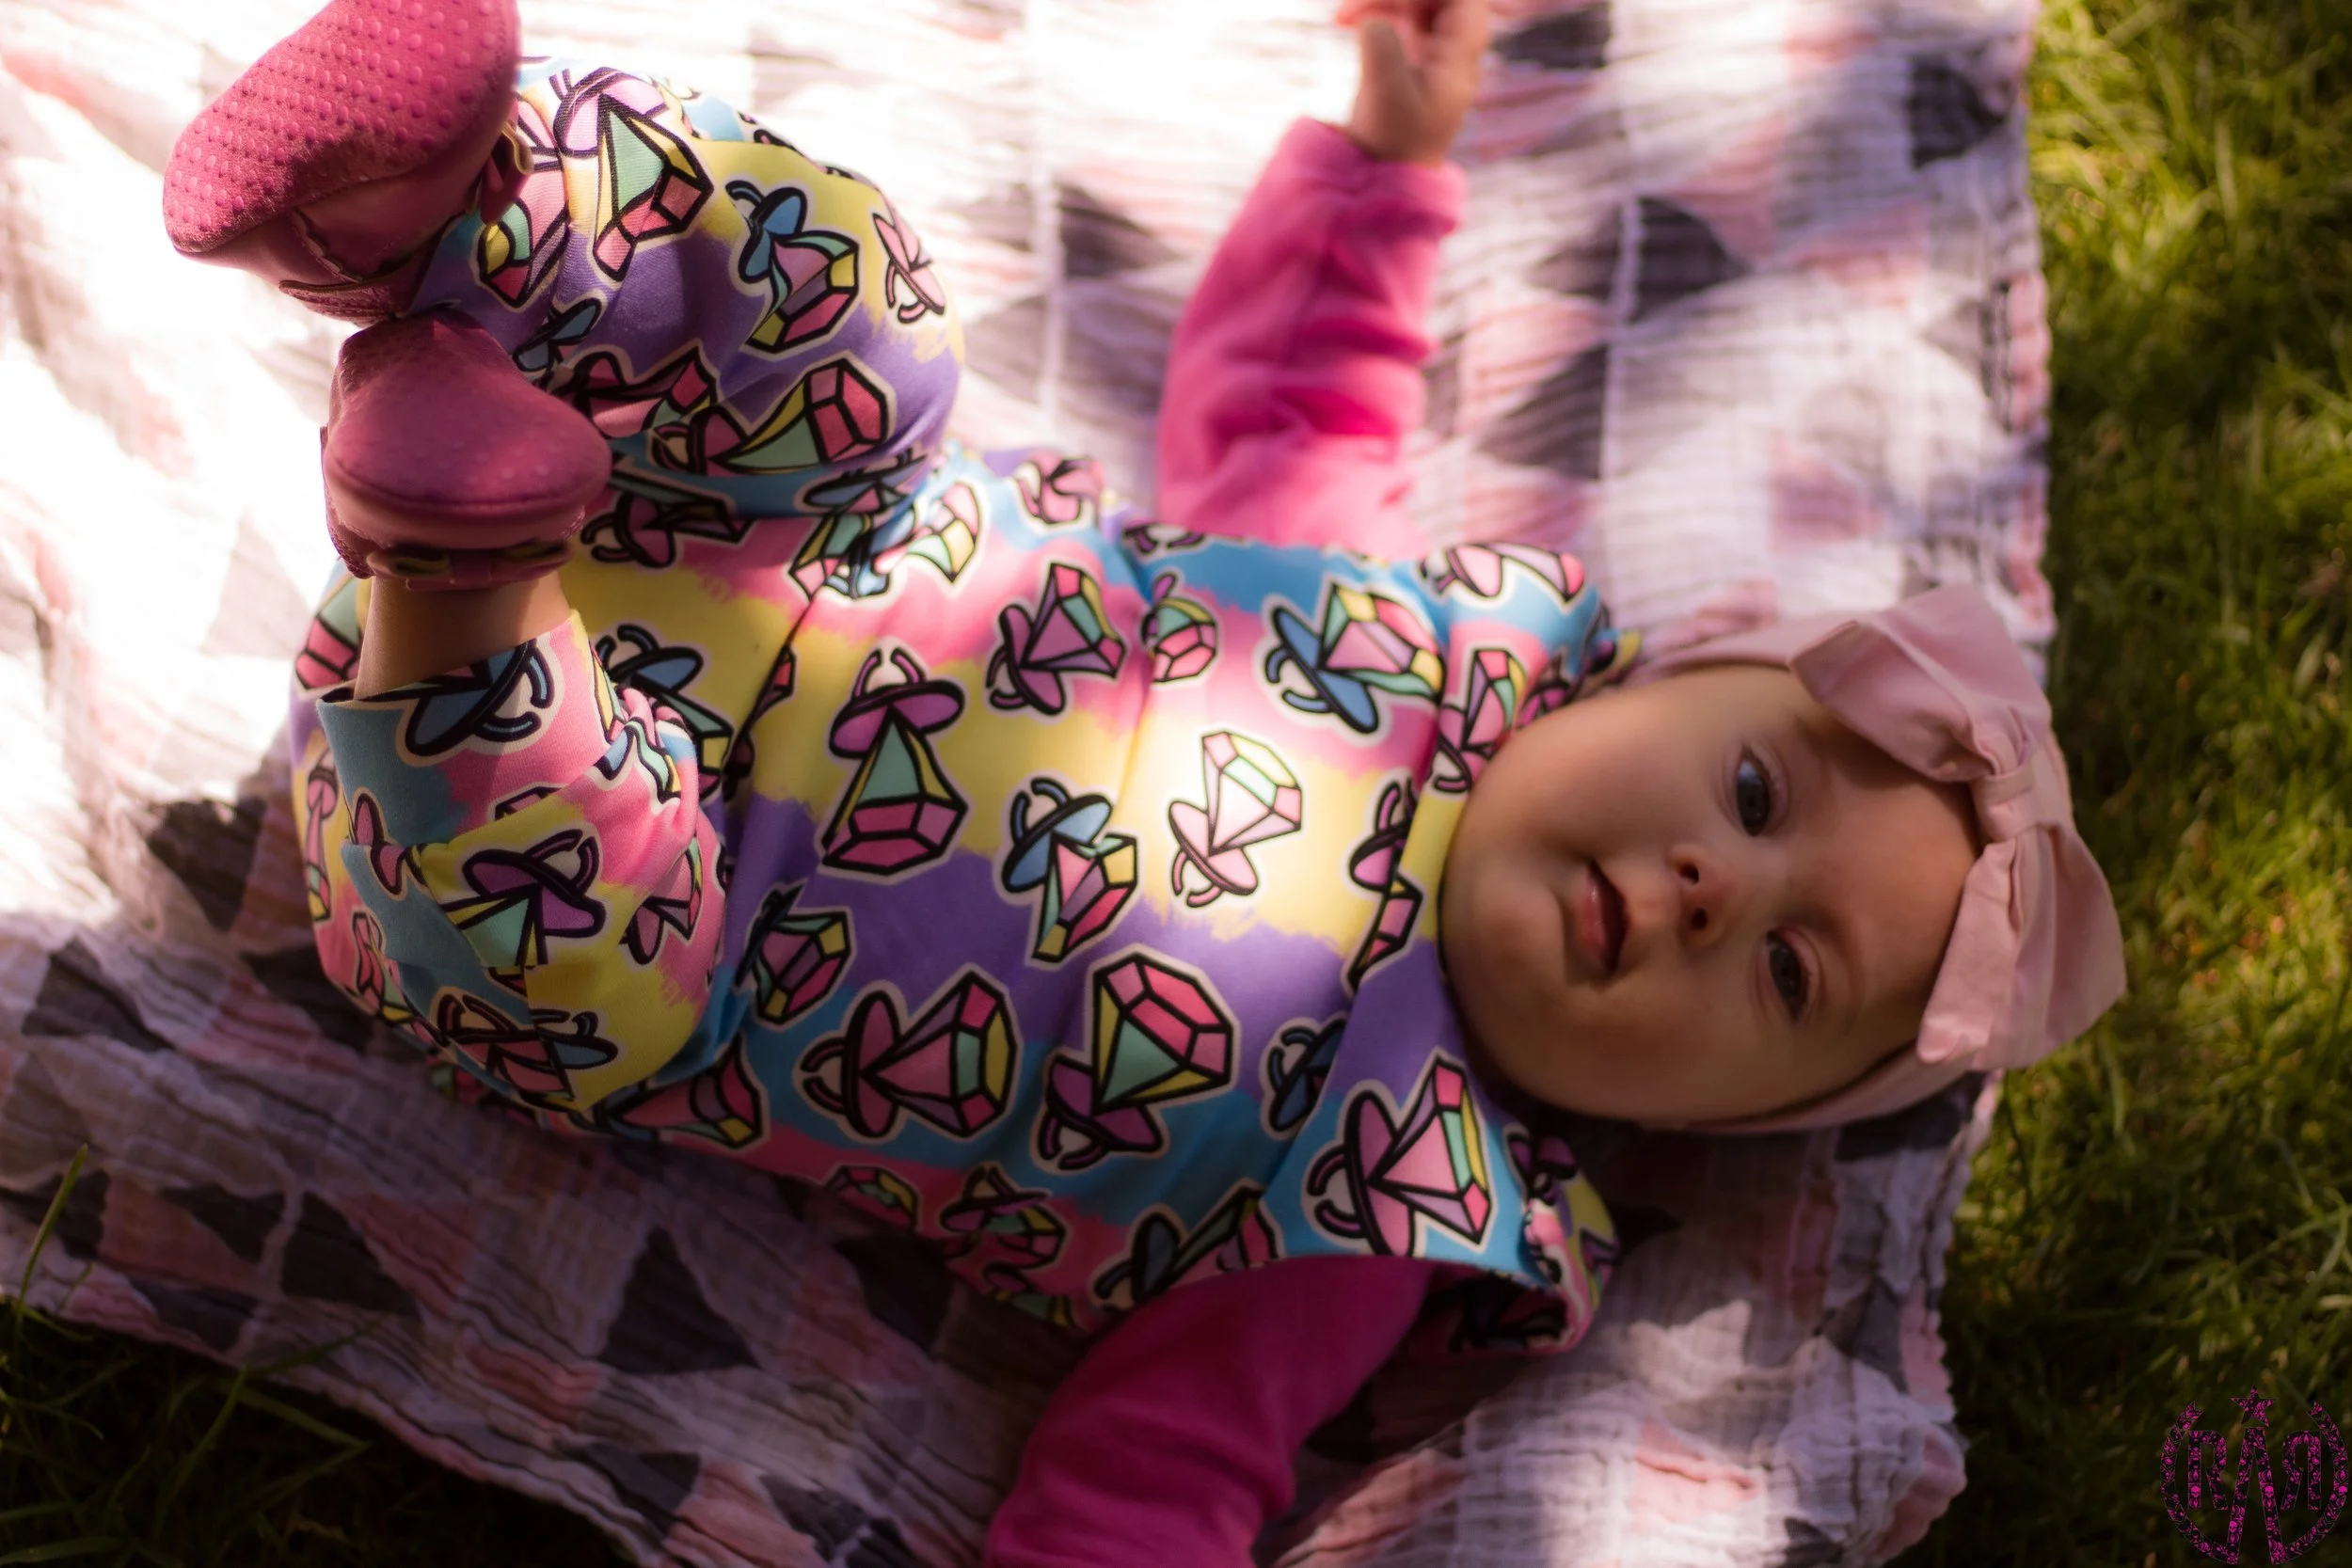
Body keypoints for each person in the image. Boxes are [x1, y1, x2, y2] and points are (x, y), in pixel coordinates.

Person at [163, 0, 2125, 1559]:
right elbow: (1300, 399)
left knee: (568, 948)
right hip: (784, 536)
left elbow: (1154, 1482)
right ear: (1647, 683)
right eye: (1756, 795)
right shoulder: (1402, 651)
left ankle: (452, 573)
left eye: (1783, 980)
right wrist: (1383, 154)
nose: (1712, 888)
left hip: (641, 870)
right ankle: (461, 204)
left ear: (1716, 1125)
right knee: (868, 330)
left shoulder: (1377, 1196)